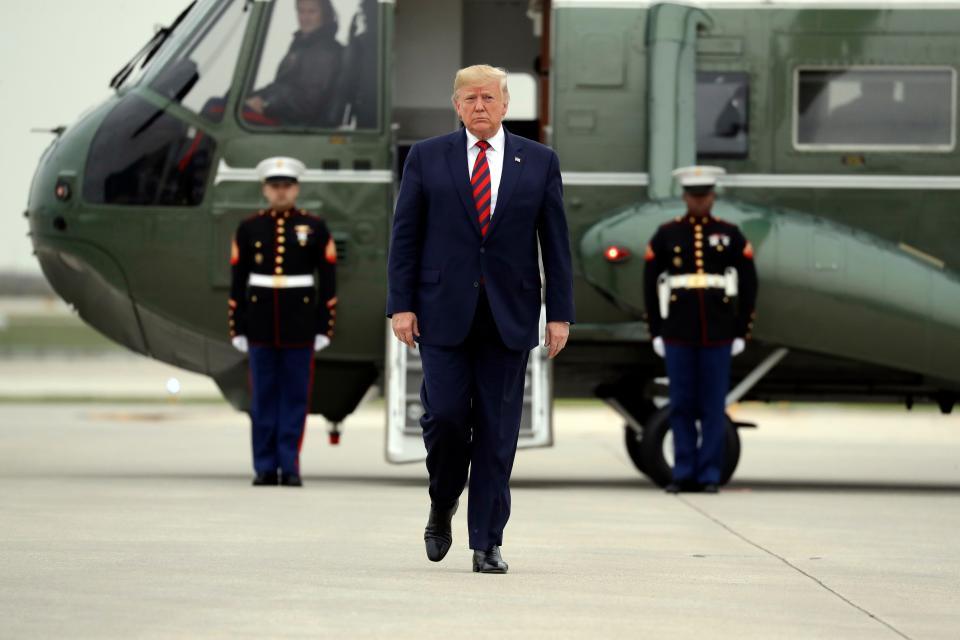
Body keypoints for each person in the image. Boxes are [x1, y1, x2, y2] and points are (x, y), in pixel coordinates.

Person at [386, 65, 575, 574]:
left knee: (496, 432)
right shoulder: (427, 158)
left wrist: (559, 314)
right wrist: (400, 304)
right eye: (469, 98)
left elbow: (555, 245)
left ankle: (487, 541)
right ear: (456, 105)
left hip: (508, 317)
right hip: (442, 314)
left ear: (505, 103)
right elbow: (405, 236)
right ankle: (443, 500)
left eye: (488, 97)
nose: (479, 107)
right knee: (446, 418)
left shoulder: (538, 162)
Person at [642, 166, 758, 494]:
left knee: (711, 407)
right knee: (681, 405)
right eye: (693, 196)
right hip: (678, 332)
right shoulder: (667, 234)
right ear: (685, 197)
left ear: (712, 197)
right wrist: (657, 331)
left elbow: (748, 282)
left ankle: (708, 474)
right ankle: (683, 472)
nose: (699, 201)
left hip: (718, 333)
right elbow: (650, 285)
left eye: (704, 196)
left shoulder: (729, 233)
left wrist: (740, 330)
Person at [228, 157, 338, 487]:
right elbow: (238, 280)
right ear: (265, 189)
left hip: (300, 324)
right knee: (262, 397)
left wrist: (324, 325)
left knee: (294, 398)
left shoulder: (315, 227)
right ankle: (264, 467)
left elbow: (328, 280)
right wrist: (238, 325)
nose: (280, 192)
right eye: (274, 186)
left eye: (286, 186)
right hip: (260, 324)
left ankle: (289, 466)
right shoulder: (249, 228)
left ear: (296, 189)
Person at [245, 0, 343, 127]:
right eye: (301, 11)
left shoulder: (325, 51)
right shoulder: (303, 46)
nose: (305, 18)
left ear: (325, 15)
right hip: (285, 116)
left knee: (216, 110)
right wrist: (252, 97)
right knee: (228, 105)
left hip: (297, 125)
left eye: (311, 12)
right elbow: (280, 85)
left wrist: (266, 104)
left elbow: (308, 103)